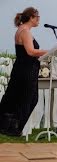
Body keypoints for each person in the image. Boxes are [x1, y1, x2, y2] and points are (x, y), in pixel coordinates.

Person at [0, 8, 47, 136]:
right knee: (26, 99)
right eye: (37, 17)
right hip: (26, 70)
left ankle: (10, 127)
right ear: (31, 17)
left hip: (24, 68)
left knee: (24, 98)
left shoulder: (23, 30)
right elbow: (30, 51)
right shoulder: (25, 31)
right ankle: (12, 128)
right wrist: (47, 51)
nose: (38, 19)